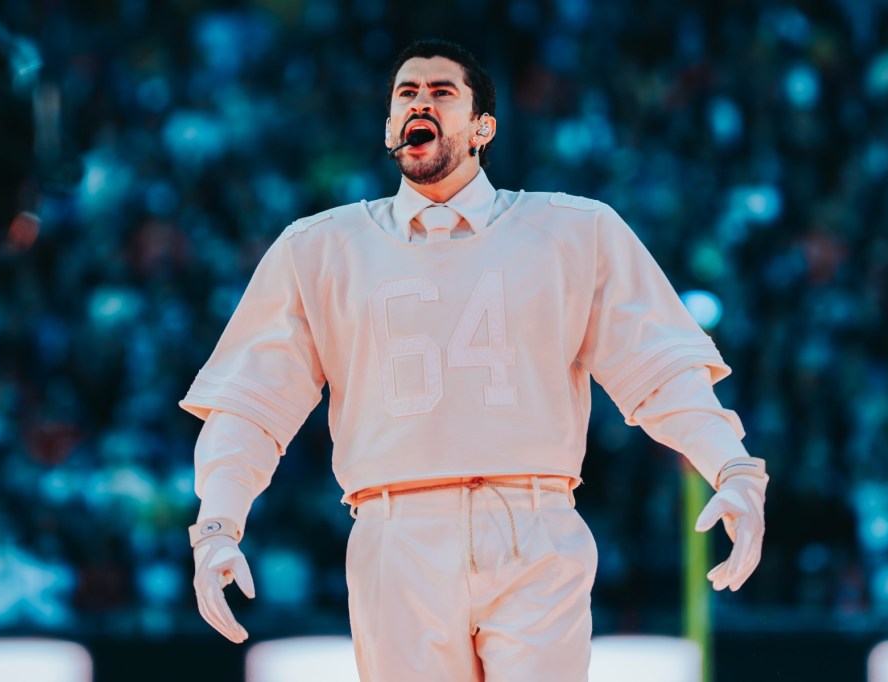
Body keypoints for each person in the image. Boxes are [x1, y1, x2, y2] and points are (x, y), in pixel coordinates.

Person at [180, 38, 768, 681]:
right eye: (406, 93)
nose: (419, 103)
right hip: (393, 530)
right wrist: (217, 523)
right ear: (387, 127)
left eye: (441, 92)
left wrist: (732, 464)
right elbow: (253, 404)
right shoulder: (316, 247)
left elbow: (658, 370)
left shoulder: (576, 230)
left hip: (534, 519)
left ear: (483, 127)